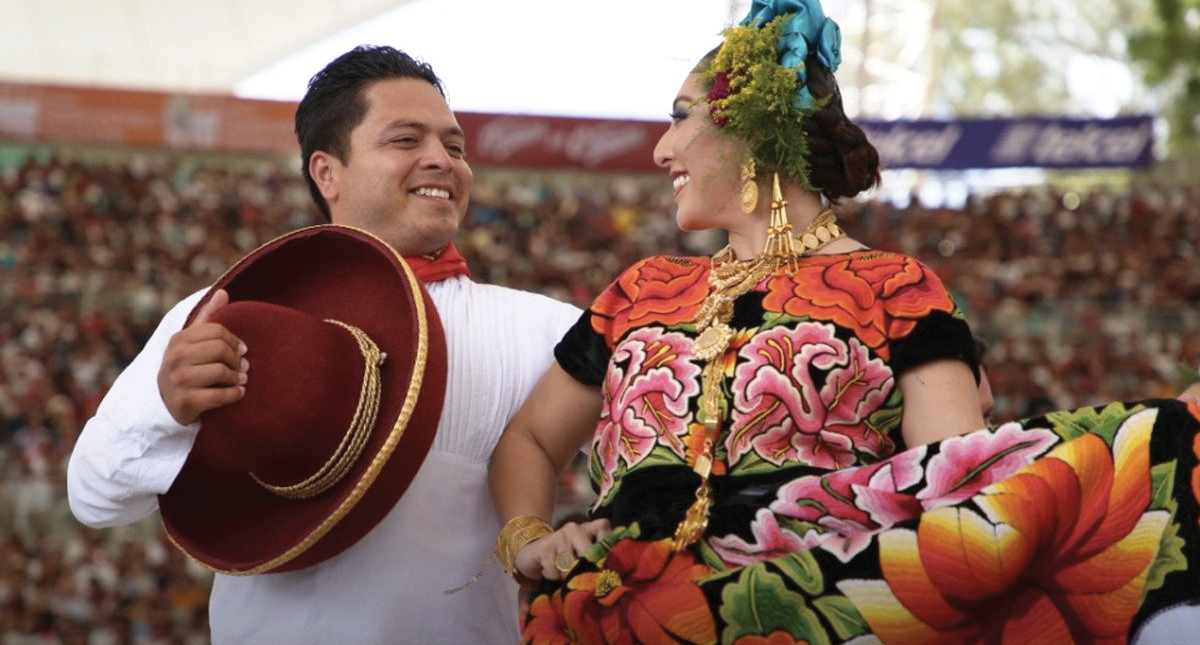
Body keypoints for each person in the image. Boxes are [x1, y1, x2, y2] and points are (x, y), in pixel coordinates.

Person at [489, 2, 1200, 643]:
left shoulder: (896, 288)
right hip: (609, 618)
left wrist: (1148, 445)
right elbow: (529, 439)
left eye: (680, 116)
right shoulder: (640, 289)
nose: (660, 149)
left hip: (805, 616)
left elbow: (961, 488)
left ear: (751, 127)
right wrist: (529, 537)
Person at [67, 45, 580, 644]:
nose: (441, 160)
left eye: (456, 147)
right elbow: (94, 498)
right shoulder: (231, 311)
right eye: (406, 140)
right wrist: (166, 407)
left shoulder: (550, 331)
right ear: (327, 173)